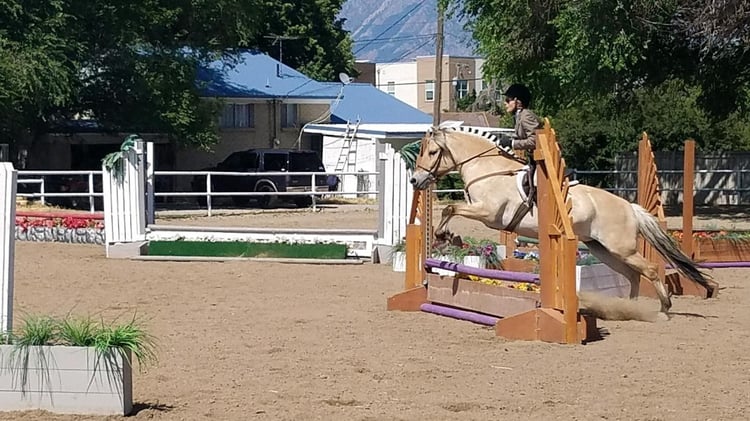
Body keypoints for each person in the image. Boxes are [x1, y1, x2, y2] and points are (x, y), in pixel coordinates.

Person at [497, 83, 543, 207]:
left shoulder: (526, 115)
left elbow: (535, 140)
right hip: (532, 159)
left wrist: (512, 143)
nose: (505, 103)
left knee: (533, 183)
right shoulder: (519, 116)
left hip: (541, 161)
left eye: (508, 100)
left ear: (517, 101)